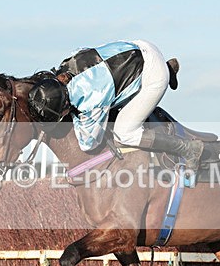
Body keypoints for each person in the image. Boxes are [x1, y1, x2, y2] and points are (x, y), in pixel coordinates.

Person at [28, 40, 204, 170]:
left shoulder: (91, 101)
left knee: (124, 132)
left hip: (153, 76)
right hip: (140, 46)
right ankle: (166, 68)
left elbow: (89, 143)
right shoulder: (65, 65)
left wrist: (73, 114)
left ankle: (188, 149)